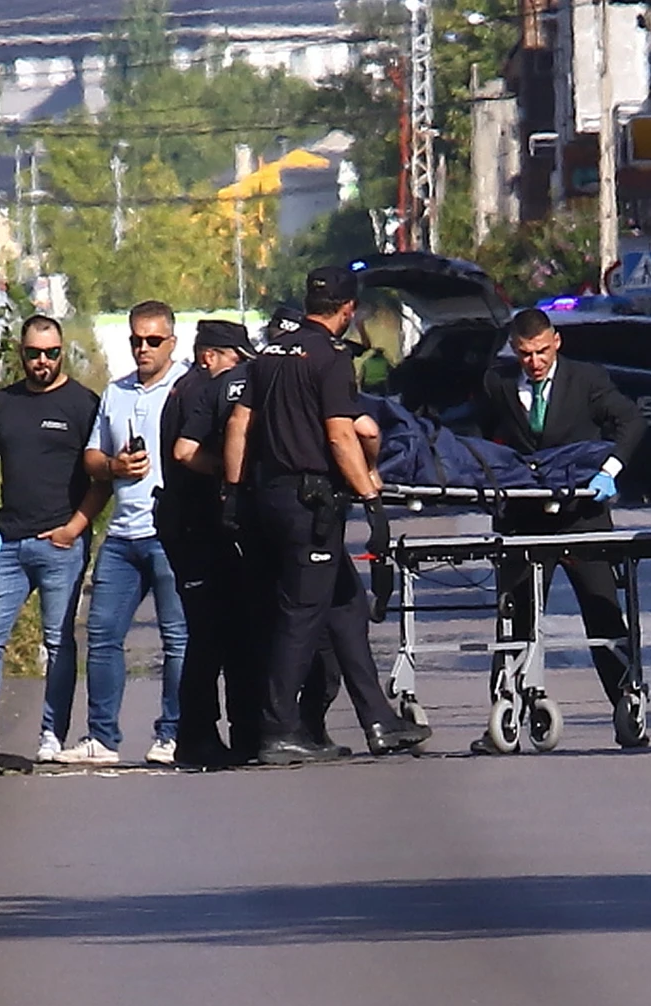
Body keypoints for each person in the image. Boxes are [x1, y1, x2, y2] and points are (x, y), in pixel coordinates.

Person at [223, 266, 431, 765]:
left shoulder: (269, 354)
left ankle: (378, 720)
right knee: (300, 618)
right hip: (308, 503)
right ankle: (278, 729)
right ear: (347, 310)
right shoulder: (332, 359)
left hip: (267, 497)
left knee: (345, 607)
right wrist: (372, 500)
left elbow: (239, 424)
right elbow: (341, 435)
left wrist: (232, 494)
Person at [474, 307, 646, 752]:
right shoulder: (498, 384)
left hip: (580, 517)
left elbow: (631, 421)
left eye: (543, 351)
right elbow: (483, 436)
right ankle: (506, 710)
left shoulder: (586, 380)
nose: (535, 362)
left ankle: (627, 704)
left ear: (557, 343)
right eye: (527, 354)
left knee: (603, 612)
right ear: (515, 349)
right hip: (522, 518)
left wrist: (608, 471)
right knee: (515, 616)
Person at [0, 316, 106, 762]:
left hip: (60, 543)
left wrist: (74, 529)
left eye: (51, 353)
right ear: (20, 353)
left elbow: (101, 476)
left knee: (59, 642)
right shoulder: (1, 405)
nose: (42, 361)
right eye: (33, 353)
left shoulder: (84, 405)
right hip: (7, 544)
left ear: (63, 353)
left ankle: (51, 736)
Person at [56, 300, 192, 766]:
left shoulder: (186, 387)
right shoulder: (116, 393)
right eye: (136, 340)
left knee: (177, 637)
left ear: (172, 342)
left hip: (171, 531)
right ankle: (101, 738)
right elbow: (92, 458)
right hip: (122, 534)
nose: (143, 349)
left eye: (153, 341)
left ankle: (173, 733)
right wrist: (115, 466)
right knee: (102, 634)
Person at [157, 318, 256, 768]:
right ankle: (197, 735)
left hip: (188, 524)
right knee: (211, 634)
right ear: (210, 355)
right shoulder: (200, 389)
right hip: (195, 524)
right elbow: (183, 451)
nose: (238, 373)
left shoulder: (183, 387)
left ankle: (228, 731)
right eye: (235, 360)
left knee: (224, 630)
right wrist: (230, 472)